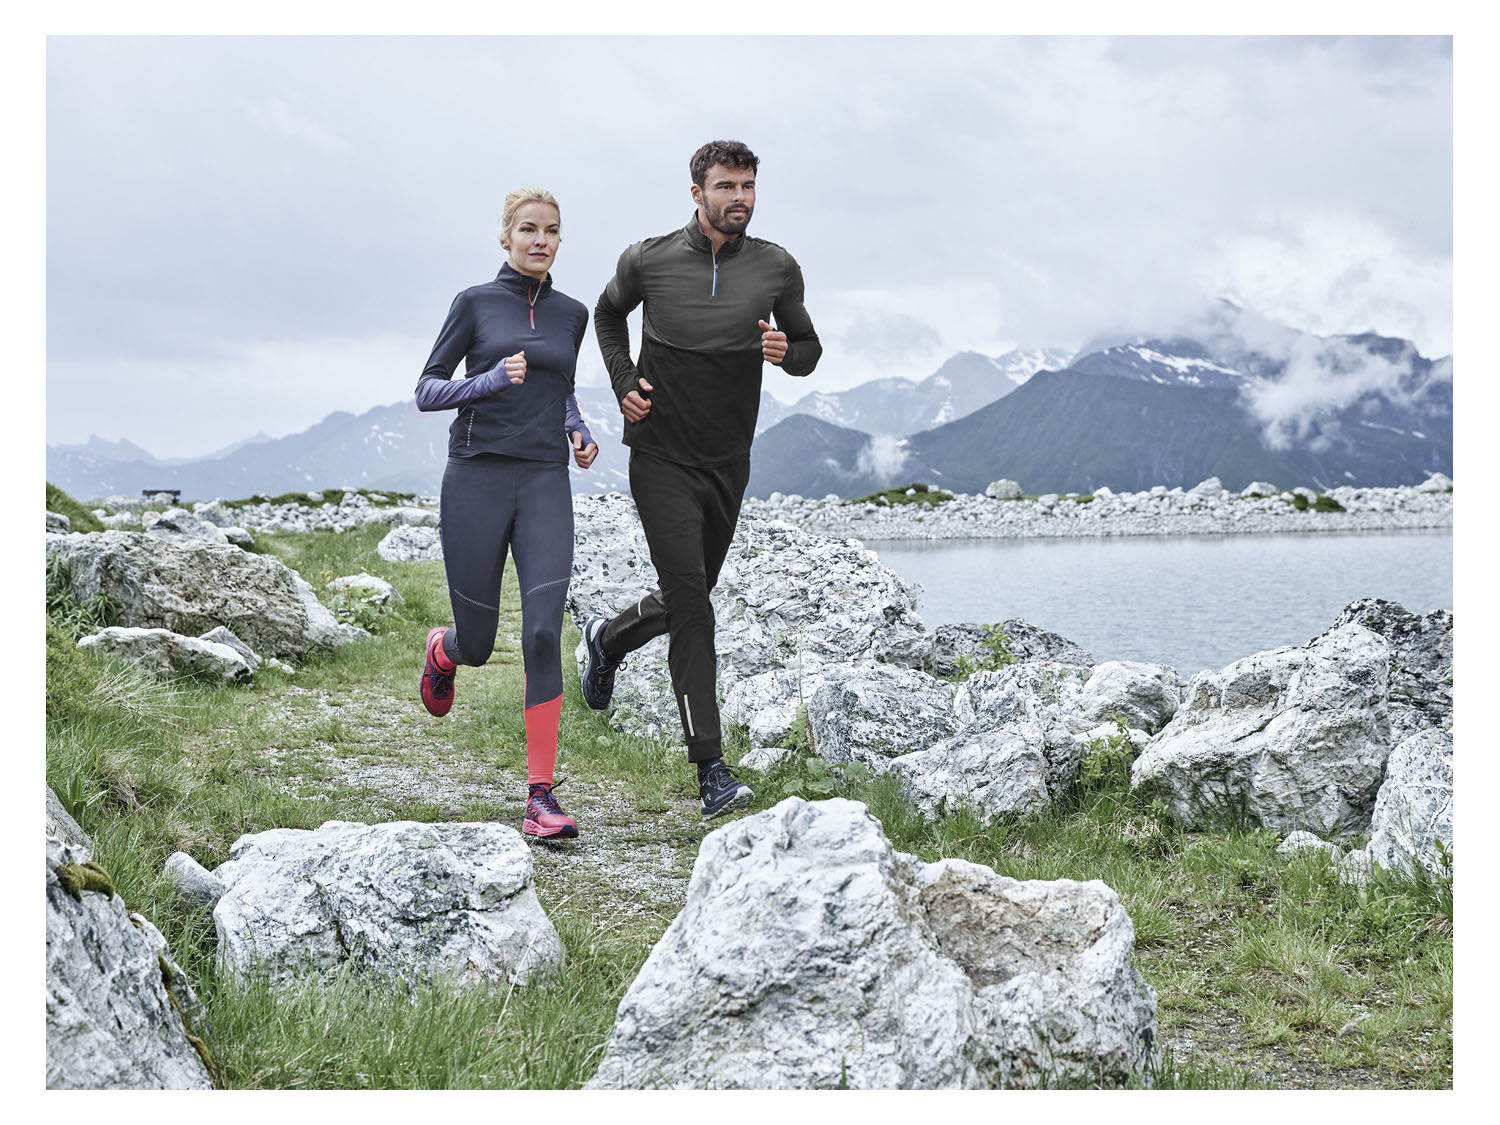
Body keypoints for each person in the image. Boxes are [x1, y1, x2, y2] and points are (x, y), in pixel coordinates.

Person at [579, 140, 821, 820]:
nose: (739, 198)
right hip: (660, 456)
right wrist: (624, 382)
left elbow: (809, 349)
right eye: (725, 186)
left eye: (748, 186)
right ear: (697, 193)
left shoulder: (776, 266)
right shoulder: (648, 260)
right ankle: (711, 770)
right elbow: (606, 314)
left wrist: (785, 352)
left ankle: (607, 639)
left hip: (728, 463)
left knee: (690, 595)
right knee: (693, 608)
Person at [414, 186, 599, 840]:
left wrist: (577, 428)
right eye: (528, 229)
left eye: (551, 230)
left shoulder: (572, 314)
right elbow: (427, 390)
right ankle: (444, 651)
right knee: (480, 642)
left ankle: (540, 797)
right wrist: (488, 382)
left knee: (543, 634)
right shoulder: (474, 303)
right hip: (477, 477)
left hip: (545, 480)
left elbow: (561, 388)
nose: (540, 239)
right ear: (505, 237)